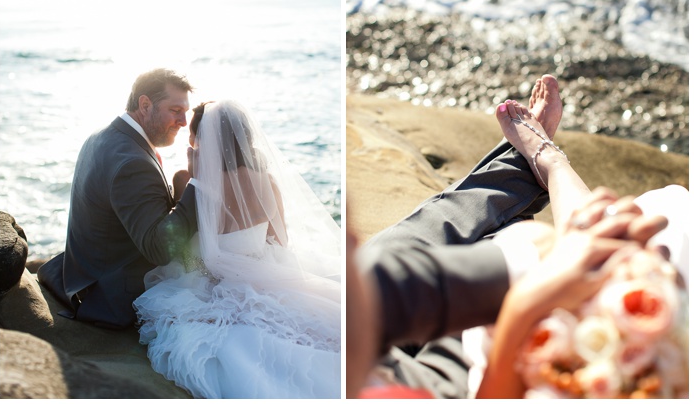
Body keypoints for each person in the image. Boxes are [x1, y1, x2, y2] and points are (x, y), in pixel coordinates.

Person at [348, 75, 687, 398]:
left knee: (393, 257)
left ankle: (531, 166)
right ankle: (543, 165)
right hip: (445, 384)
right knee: (549, 251)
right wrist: (526, 307)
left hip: (361, 360)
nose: (348, 240)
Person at [133, 100, 341, 399]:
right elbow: (279, 240)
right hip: (261, 273)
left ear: (200, 139)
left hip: (207, 283)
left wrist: (193, 174)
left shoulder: (188, 180)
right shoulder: (267, 182)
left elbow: (179, 241)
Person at [37, 68, 199, 329]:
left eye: (186, 112)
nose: (183, 121)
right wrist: (196, 186)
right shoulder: (132, 162)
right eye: (175, 110)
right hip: (113, 296)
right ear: (145, 104)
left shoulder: (103, 136)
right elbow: (159, 249)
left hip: (86, 272)